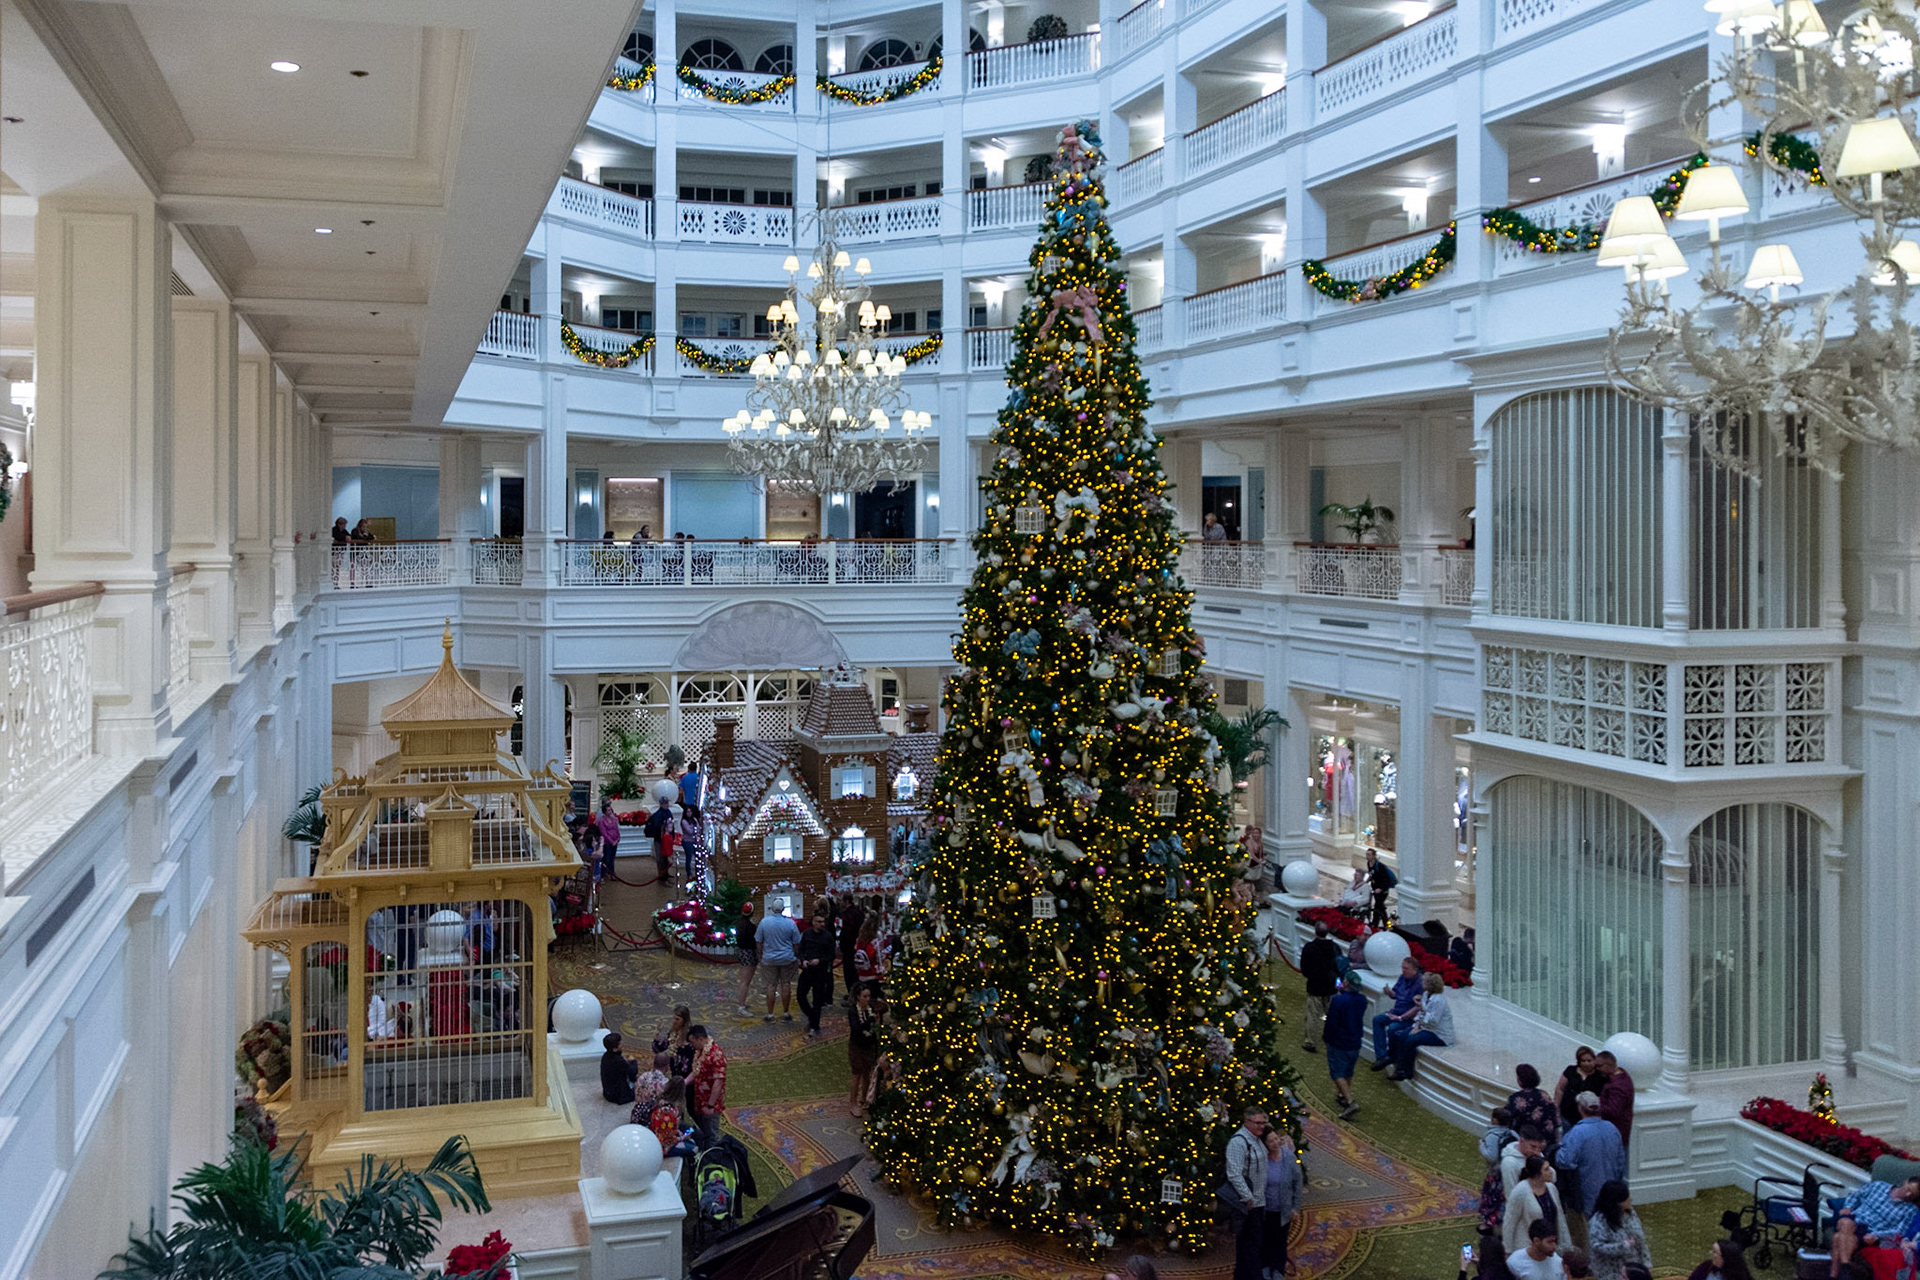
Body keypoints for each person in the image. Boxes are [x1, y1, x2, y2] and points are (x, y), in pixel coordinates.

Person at [1554, 1095, 1626, 1252]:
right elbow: (1621, 1163)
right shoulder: (1612, 1129)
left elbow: (1565, 1161)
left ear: (1581, 1109)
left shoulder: (1577, 1132)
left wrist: (1557, 1148)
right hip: (1611, 1189)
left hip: (1588, 1191)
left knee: (1590, 1232)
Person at [1828, 1174, 1920, 1277]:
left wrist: (1876, 1235)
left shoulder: (1910, 1209)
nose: (1907, 1194)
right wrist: (1848, 1207)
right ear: (1905, 1182)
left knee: (1838, 1238)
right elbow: (1856, 1195)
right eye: (1908, 1189)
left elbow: (1899, 1231)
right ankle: (1846, 1268)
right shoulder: (1878, 1185)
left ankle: (1834, 1275)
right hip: (1855, 1219)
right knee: (1845, 1223)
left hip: (1871, 1232)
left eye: (1912, 1194)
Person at [1224, 1108, 1269, 1280]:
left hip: (1259, 1201)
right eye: (1258, 1123)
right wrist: (1247, 1196)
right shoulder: (1238, 1142)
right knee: (1249, 1245)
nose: (1261, 1126)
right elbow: (1234, 1173)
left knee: (1251, 1243)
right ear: (1247, 1122)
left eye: (1263, 1122)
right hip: (1247, 1204)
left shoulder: (1256, 1139)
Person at [1386, 970, 1455, 1081]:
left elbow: (1433, 1020)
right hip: (1426, 1027)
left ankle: (1407, 1071)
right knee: (1402, 1035)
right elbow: (1421, 1014)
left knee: (1411, 1040)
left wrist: (1421, 1015)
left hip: (1439, 1034)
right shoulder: (1426, 995)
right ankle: (1398, 1067)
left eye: (1424, 981)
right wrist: (1416, 1026)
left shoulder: (1439, 1000)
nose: (1421, 982)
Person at [1261, 1126, 1304, 1280]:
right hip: (1265, 1209)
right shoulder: (1262, 1159)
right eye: (1270, 1140)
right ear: (1264, 1143)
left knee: (1280, 1241)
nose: (1275, 1143)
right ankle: (1265, 1266)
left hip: (1283, 1209)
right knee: (1266, 1239)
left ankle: (1278, 1269)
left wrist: (1295, 1208)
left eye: (1276, 1139)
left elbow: (1298, 1183)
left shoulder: (1289, 1158)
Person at [1503, 1153, 1565, 1257]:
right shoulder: (1520, 1191)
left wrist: (1565, 1244)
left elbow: (1560, 1218)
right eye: (1546, 1169)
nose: (1550, 1172)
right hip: (1528, 1248)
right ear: (1537, 1174)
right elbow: (1509, 1222)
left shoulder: (1551, 1188)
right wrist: (1507, 1250)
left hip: (1550, 1245)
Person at [1324, 972, 1367, 1120]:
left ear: (1347, 983)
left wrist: (1327, 1038)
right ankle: (1342, 1095)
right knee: (1348, 1070)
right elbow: (1345, 993)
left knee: (1337, 1073)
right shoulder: (1362, 1000)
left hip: (1339, 1041)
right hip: (1355, 1041)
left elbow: (1332, 1022)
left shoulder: (1338, 1001)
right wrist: (1340, 984)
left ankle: (1350, 1101)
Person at [1586, 1181, 1650, 1280]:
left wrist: (1646, 1263)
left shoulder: (1630, 1213)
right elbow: (1597, 1247)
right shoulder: (1598, 1222)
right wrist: (1622, 1246)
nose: (1630, 1199)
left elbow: (1641, 1239)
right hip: (1610, 1272)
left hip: (1632, 1267)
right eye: (1626, 1198)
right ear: (1617, 1203)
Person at [1371, 956, 1424, 1069]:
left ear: (1414, 970)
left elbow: (1418, 1008)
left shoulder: (1420, 984)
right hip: (1396, 1012)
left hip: (1408, 1018)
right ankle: (1382, 1055)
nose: (1403, 971)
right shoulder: (1402, 978)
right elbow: (1396, 995)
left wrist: (1401, 1018)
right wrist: (1389, 992)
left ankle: (1392, 1056)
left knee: (1394, 1028)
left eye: (1406, 968)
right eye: (1402, 968)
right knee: (1377, 1020)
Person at [1299, 922, 1341, 1054]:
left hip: (1315, 986)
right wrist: (1338, 985)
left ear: (1315, 932)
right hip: (1331, 986)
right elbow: (1339, 968)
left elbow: (1304, 969)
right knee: (1331, 1015)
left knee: (1313, 1015)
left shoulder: (1310, 948)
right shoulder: (1335, 947)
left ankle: (1309, 1042)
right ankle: (1332, 1039)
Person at [797, 903, 838, 1038]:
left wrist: (819, 960)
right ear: (813, 922)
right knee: (800, 996)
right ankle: (811, 1015)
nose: (822, 924)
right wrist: (803, 960)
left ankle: (815, 1024)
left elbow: (831, 955)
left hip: (820, 972)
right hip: (807, 970)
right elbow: (801, 950)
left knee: (818, 999)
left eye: (823, 921)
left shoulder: (827, 937)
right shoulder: (807, 934)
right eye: (819, 922)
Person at [756, 903, 802, 1022]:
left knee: (771, 985)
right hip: (787, 958)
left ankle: (770, 1014)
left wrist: (761, 955)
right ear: (783, 909)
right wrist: (796, 955)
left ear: (772, 908)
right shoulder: (790, 923)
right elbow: (797, 942)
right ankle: (785, 1013)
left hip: (769, 959)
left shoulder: (764, 922)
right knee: (786, 984)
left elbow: (758, 941)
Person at [687, 1024, 727, 1144]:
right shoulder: (700, 1052)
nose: (691, 1045)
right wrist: (682, 1083)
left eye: (692, 1041)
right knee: (704, 1132)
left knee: (712, 1135)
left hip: (710, 1104)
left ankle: (714, 1158)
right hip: (699, 1100)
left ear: (700, 1039)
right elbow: (696, 1072)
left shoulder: (716, 1055)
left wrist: (710, 1105)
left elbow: (718, 1082)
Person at [848, 984, 881, 1117]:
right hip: (857, 1045)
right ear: (858, 997)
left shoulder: (871, 1008)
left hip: (870, 1045)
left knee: (867, 1072)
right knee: (857, 1074)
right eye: (864, 996)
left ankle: (864, 1098)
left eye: (869, 996)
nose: (867, 999)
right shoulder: (853, 1011)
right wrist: (870, 1020)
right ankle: (853, 1102)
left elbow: (883, 1007)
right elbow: (856, 1028)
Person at [1508, 1063, 1561, 1144]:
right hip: (1547, 1140)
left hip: (1526, 1142)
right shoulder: (1544, 1095)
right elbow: (1555, 1117)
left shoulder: (1515, 1098)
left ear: (1520, 1080)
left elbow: (1510, 1120)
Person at [1556, 1047, 1603, 1133]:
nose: (1586, 1063)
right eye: (1583, 1061)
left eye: (1589, 1060)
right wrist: (1556, 1106)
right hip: (1567, 1114)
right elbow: (1560, 1088)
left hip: (1587, 1118)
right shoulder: (1570, 1070)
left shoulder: (1600, 1077)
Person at [1594, 1051, 1634, 1153]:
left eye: (1599, 1066)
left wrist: (1595, 1106)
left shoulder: (1617, 1087)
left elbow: (1613, 1111)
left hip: (1615, 1133)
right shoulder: (1622, 1077)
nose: (1597, 1069)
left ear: (1609, 1064)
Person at [653, 1004, 695, 1079]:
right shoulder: (673, 1032)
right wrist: (658, 1034)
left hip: (687, 1071)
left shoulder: (690, 1035)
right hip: (674, 1069)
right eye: (674, 1018)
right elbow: (659, 1048)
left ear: (684, 1020)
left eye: (677, 1019)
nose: (674, 1022)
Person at [733, 901, 760, 1018]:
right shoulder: (750, 927)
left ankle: (742, 1004)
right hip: (749, 954)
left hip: (742, 953)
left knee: (744, 981)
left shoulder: (740, 923)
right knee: (745, 982)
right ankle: (741, 1006)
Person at [629, 1052, 670, 1126]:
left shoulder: (642, 1076)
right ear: (667, 1067)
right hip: (651, 1119)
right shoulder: (665, 1082)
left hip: (637, 1113)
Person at [836, 896, 865, 999]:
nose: (839, 903)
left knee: (849, 973)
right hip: (856, 945)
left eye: (841, 901)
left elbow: (848, 931)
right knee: (854, 972)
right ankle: (855, 993)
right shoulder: (858, 912)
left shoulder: (849, 914)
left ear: (847, 901)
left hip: (849, 946)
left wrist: (842, 942)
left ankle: (853, 995)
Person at [600, 1031, 639, 1105]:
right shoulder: (618, 1061)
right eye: (620, 1044)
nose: (621, 1045)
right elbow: (633, 1071)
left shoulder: (605, 1056)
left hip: (608, 1092)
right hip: (618, 1095)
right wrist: (633, 1061)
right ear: (614, 1049)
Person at [643, 792, 674, 884]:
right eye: (665, 803)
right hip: (659, 840)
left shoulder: (668, 812)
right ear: (661, 804)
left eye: (667, 803)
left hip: (667, 839)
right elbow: (657, 826)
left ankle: (666, 872)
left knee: (666, 856)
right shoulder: (658, 814)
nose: (667, 805)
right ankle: (661, 875)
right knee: (660, 857)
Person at [1684, 1239, 1753, 1280]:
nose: (1710, 1253)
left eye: (1714, 1252)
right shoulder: (1706, 1266)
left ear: (1724, 1258)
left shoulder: (1738, 1277)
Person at [854, 912, 886, 996]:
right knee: (873, 996)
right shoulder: (876, 939)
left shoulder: (860, 938)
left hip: (861, 971)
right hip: (872, 972)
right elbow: (879, 957)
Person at [1365, 847, 1397, 929]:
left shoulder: (1380, 866)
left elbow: (1385, 879)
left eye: (1369, 855)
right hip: (1375, 890)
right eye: (1367, 854)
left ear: (1374, 856)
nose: (1367, 856)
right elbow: (1373, 874)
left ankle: (1380, 925)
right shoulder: (1369, 864)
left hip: (1382, 891)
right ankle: (1384, 925)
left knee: (1378, 907)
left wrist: (1381, 889)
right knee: (1380, 908)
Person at [595, 797, 621, 881]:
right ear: (604, 812)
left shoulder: (614, 819)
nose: (610, 812)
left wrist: (617, 839)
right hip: (607, 842)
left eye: (611, 810)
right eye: (608, 810)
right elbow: (603, 832)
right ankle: (602, 875)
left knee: (612, 859)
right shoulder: (602, 820)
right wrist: (611, 841)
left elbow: (616, 829)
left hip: (614, 842)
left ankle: (611, 874)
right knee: (606, 858)